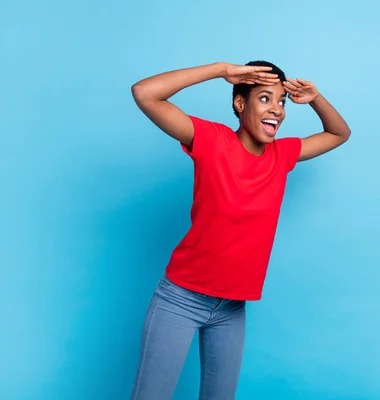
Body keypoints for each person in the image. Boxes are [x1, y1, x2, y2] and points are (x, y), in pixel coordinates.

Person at [128, 60, 351, 399]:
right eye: (264, 98)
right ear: (239, 103)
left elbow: (339, 133)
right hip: (181, 299)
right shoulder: (211, 140)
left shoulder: (282, 155)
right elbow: (145, 93)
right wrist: (220, 70)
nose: (276, 109)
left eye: (281, 101)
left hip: (231, 308)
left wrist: (316, 97)